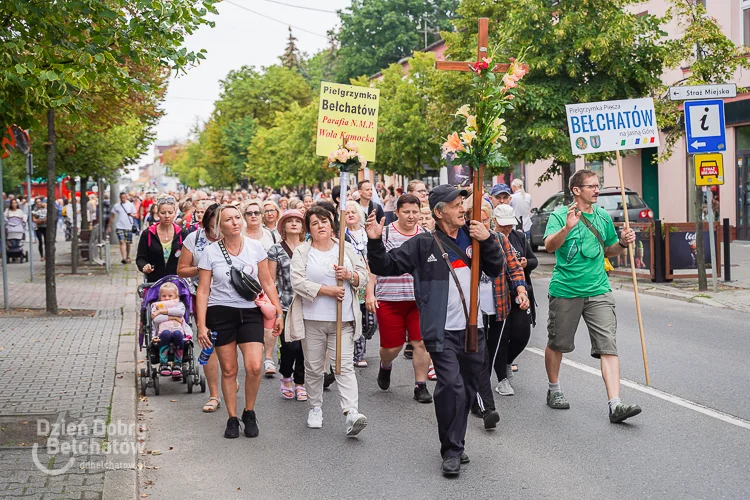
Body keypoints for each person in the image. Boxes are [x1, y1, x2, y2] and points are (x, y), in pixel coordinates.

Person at [366, 185, 504, 477]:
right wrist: (375, 242)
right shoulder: (423, 244)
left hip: (473, 328)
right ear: (440, 211)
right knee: (451, 386)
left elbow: (495, 268)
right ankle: (451, 451)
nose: (462, 209)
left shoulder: (474, 235)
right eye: (455, 205)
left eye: (462, 203)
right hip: (440, 330)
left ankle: (456, 443)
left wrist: (489, 239)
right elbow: (386, 265)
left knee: (466, 390)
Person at [543, 169, 641, 423]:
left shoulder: (603, 217)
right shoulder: (559, 215)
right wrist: (567, 228)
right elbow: (549, 246)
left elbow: (609, 250)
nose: (597, 190)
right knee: (557, 344)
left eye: (598, 186)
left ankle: (615, 405)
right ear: (577, 190)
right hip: (566, 290)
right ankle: (554, 389)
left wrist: (622, 243)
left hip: (598, 289)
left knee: (608, 346)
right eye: (592, 186)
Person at [196, 204, 284, 439]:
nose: (235, 222)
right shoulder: (210, 252)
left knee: (255, 366)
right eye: (228, 219)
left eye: (237, 217)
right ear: (220, 226)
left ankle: (249, 411)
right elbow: (203, 291)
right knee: (229, 369)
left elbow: (266, 282)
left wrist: (278, 311)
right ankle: (232, 418)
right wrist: (201, 325)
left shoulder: (255, 248)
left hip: (250, 311)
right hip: (220, 312)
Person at [286, 206, 369, 436]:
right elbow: (297, 282)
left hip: (343, 319)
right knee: (313, 367)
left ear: (332, 223)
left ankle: (351, 412)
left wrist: (349, 276)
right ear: (309, 228)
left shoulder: (346, 249)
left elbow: (363, 276)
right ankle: (315, 407)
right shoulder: (303, 251)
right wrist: (327, 290)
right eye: (315, 223)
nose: (320, 226)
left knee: (343, 366)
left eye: (324, 221)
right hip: (312, 319)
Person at [366, 194, 433, 403]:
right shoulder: (384, 233)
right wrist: (370, 293)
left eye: (415, 212)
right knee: (391, 347)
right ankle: (385, 365)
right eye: (406, 212)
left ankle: (420, 386)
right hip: (389, 299)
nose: (411, 216)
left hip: (418, 300)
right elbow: (373, 267)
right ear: (397, 212)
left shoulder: (426, 235)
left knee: (421, 342)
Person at [468, 200, 528, 429]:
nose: (481, 224)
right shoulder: (464, 241)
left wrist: (521, 290)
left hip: (499, 305)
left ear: (490, 221)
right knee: (479, 357)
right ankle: (484, 405)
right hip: (474, 311)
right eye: (477, 220)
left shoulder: (500, 240)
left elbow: (514, 268)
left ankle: (478, 396)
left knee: (491, 355)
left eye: (485, 220)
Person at [487, 204, 537, 396]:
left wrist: (526, 263)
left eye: (510, 224)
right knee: (502, 336)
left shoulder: (519, 237)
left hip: (519, 293)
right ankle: (502, 379)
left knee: (521, 335)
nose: (507, 228)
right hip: (499, 295)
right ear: (494, 222)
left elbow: (532, 261)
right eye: (503, 225)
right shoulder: (491, 239)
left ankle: (507, 360)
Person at [177, 203, 222, 413]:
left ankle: (229, 379)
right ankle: (214, 394)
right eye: (217, 219)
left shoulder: (235, 238)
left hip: (233, 299)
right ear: (208, 221)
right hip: (203, 297)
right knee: (208, 342)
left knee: (229, 345)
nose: (222, 224)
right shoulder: (194, 238)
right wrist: (203, 269)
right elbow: (182, 270)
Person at [267, 209, 307, 401]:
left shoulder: (310, 247)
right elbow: (271, 280)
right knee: (290, 346)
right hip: (285, 304)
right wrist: (274, 309)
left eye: (297, 221)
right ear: (283, 226)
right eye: (289, 221)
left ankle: (300, 382)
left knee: (304, 348)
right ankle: (286, 376)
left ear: (302, 226)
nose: (293, 224)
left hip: (308, 303)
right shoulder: (276, 249)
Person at [243, 200, 278, 377]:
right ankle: (252, 356)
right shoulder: (239, 235)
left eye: (257, 212)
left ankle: (269, 358)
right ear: (245, 216)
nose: (254, 216)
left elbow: (278, 257)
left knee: (269, 320)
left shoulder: (270, 235)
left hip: (266, 285)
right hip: (244, 288)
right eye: (250, 213)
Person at [343, 201, 369, 368]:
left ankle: (361, 342)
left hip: (370, 280)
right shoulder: (342, 236)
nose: (351, 215)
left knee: (370, 321)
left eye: (354, 212)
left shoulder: (368, 233)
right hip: (351, 279)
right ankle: (358, 354)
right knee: (355, 316)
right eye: (347, 213)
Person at [136, 197, 185, 283]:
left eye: (170, 213)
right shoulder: (148, 234)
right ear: (157, 214)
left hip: (177, 283)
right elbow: (140, 258)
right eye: (163, 213)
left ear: (175, 213)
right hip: (154, 282)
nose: (167, 216)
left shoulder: (182, 233)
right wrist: (144, 266)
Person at [151, 282, 191, 379]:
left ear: (176, 296)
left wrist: (161, 312)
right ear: (159, 296)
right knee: (166, 333)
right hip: (163, 333)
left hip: (178, 332)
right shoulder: (156, 306)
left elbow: (180, 312)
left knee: (177, 334)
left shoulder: (179, 304)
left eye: (170, 295)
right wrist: (173, 318)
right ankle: (164, 363)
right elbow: (156, 319)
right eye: (164, 296)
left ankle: (178, 363)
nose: (167, 298)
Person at [108, 192, 137, 264]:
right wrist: (109, 226)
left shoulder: (130, 205)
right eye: (121, 198)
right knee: (121, 241)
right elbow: (112, 216)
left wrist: (132, 215)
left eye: (124, 198)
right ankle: (123, 258)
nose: (123, 199)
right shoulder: (116, 206)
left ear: (126, 197)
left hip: (129, 226)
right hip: (119, 226)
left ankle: (127, 256)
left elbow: (135, 214)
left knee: (128, 243)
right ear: (120, 198)